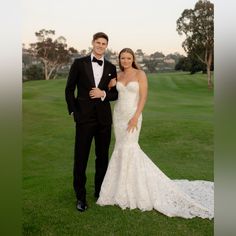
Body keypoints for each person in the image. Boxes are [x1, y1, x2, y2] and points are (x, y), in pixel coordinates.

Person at [96, 48, 214, 219]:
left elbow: (143, 97)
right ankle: (119, 189)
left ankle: (134, 190)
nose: (125, 60)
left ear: (133, 59)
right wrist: (110, 86)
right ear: (119, 59)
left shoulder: (140, 74)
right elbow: (112, 94)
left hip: (133, 115)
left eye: (129, 58)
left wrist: (136, 116)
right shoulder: (117, 76)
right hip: (119, 116)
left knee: (131, 147)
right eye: (123, 58)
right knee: (121, 148)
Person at [65, 32, 118, 212]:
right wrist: (75, 112)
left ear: (106, 46)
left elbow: (115, 94)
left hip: (104, 120)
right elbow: (69, 89)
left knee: (102, 157)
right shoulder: (79, 63)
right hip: (84, 119)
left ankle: (100, 191)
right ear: (92, 43)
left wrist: (103, 93)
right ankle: (80, 197)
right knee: (81, 158)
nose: (100, 46)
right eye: (98, 42)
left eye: (104, 43)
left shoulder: (111, 67)